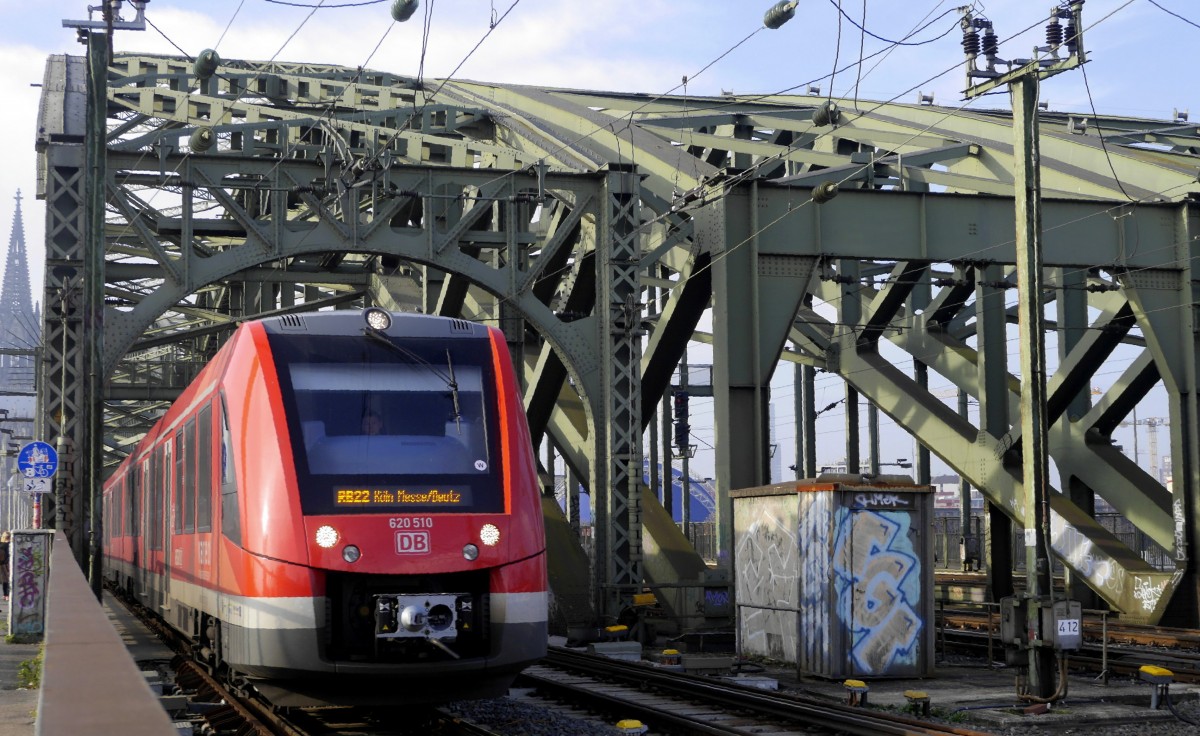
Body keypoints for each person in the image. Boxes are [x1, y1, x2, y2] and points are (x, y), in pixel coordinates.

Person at [0, 531, 10, 602]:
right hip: (7, 564)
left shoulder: (1, 544)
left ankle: (5, 595)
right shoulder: (10, 544)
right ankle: (7, 595)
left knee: (5, 580)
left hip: (2, 564)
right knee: (7, 580)